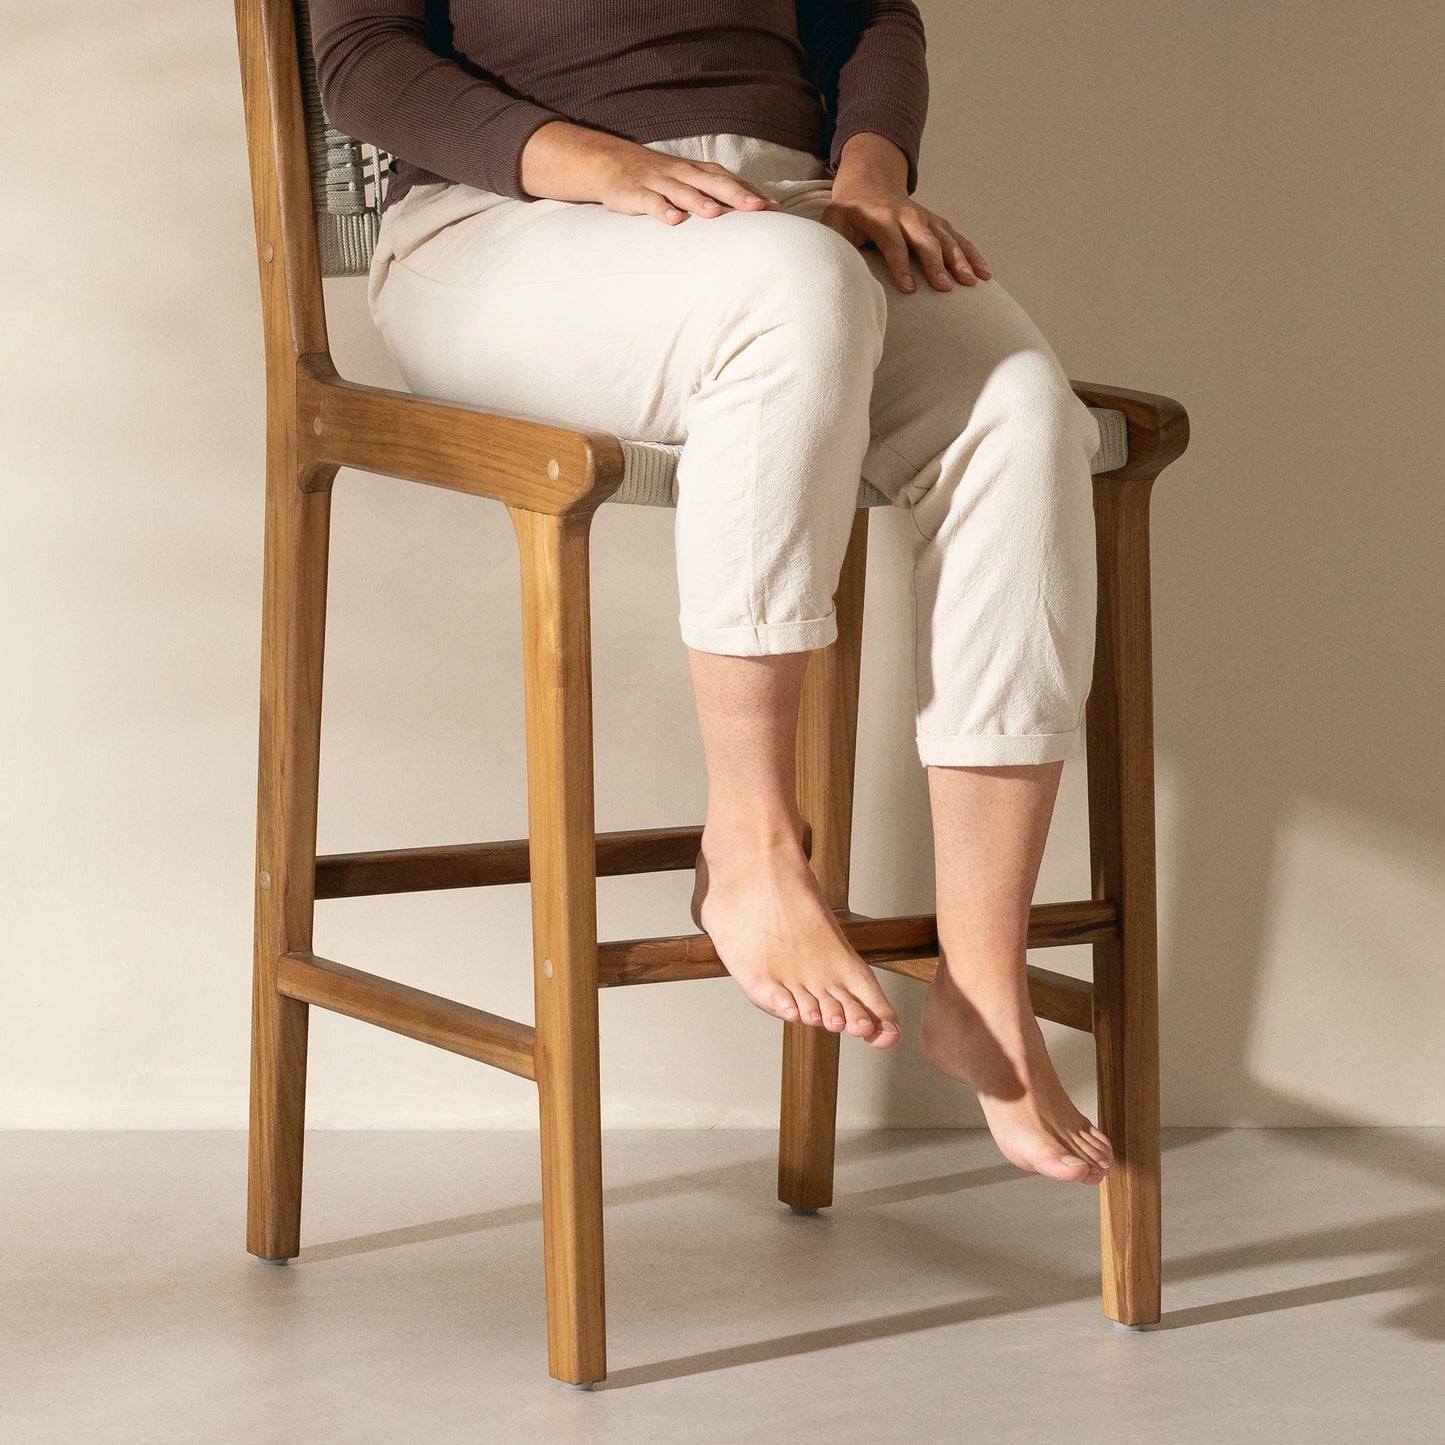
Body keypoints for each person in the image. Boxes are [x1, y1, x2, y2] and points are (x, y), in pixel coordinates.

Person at [308, 0, 1113, 1184]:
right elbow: (360, 60)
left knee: (1024, 411)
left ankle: (981, 978)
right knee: (794, 290)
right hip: (504, 219)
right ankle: (748, 843)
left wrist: (870, 172)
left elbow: (866, 13)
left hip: (780, 212)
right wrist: (596, 164)